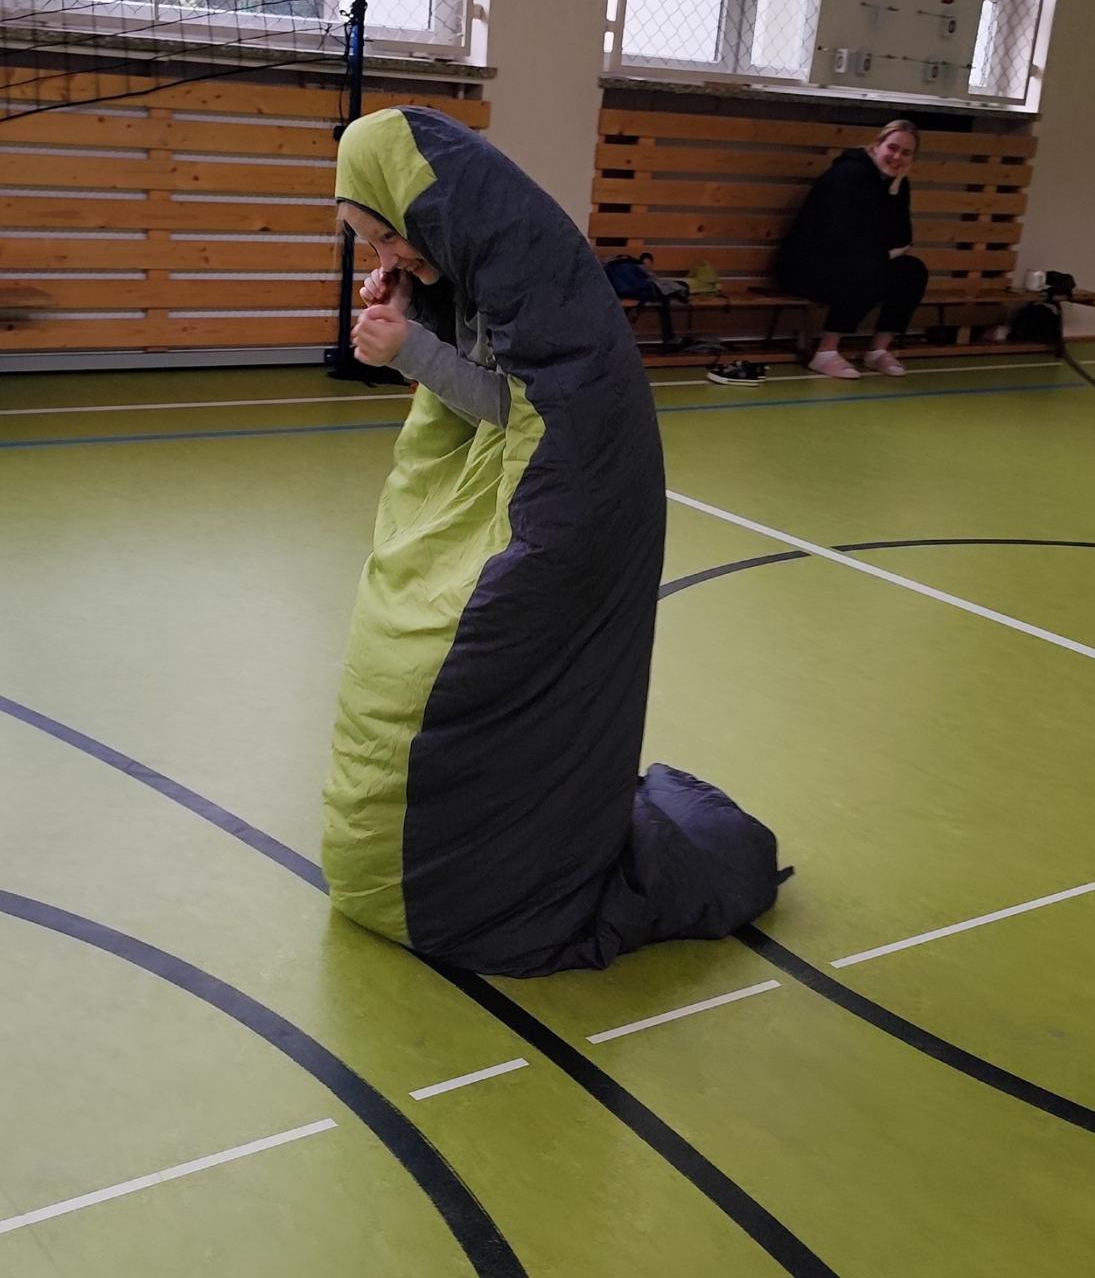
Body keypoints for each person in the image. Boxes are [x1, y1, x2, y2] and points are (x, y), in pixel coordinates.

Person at [322, 105, 781, 976]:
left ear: (428, 211)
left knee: (467, 670)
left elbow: (518, 403)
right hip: (546, 493)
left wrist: (410, 348)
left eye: (387, 238)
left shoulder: (529, 277)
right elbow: (485, 369)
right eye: (370, 247)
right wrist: (416, 299)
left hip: (573, 514)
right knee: (410, 656)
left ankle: (502, 879)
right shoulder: (474, 264)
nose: (383, 260)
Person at [775, 118, 928, 379]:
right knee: (867, 266)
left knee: (911, 270)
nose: (897, 157)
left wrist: (893, 193)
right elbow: (838, 237)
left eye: (906, 153)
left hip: (858, 262)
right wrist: (880, 251)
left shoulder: (898, 184)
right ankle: (826, 351)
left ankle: (879, 350)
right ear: (877, 145)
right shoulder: (848, 174)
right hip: (806, 266)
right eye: (892, 148)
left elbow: (903, 238)